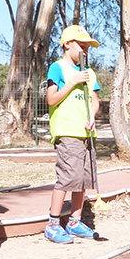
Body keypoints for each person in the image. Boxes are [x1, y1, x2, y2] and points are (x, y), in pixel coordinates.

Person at [43, 24, 102, 243]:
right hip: (67, 131)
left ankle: (75, 222)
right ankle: (53, 224)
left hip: (86, 133)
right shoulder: (57, 68)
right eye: (82, 46)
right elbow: (51, 99)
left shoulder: (90, 73)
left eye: (88, 47)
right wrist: (72, 82)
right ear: (68, 44)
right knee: (68, 177)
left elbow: (95, 101)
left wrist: (92, 115)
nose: (86, 50)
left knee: (83, 179)